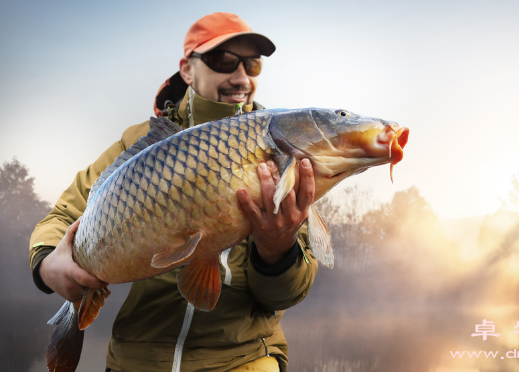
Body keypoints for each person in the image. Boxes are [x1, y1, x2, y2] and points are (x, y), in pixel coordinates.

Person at [29, 12, 318, 372]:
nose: (241, 76)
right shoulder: (136, 143)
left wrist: (278, 251)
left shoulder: (286, 152)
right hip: (136, 360)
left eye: (252, 64)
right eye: (223, 61)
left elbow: (285, 295)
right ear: (186, 69)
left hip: (246, 359)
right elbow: (61, 218)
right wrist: (47, 265)